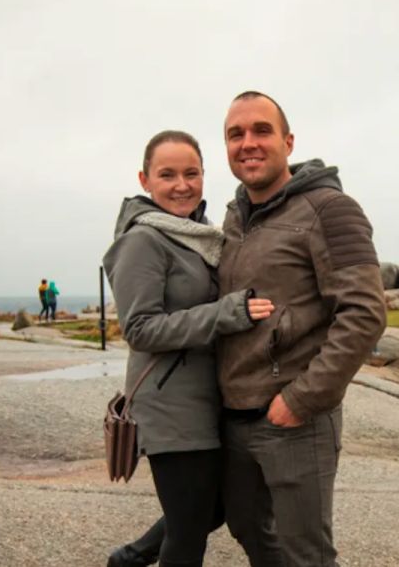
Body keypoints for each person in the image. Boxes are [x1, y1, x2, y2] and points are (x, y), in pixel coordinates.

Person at [216, 91, 386, 566]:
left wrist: (302, 399)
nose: (248, 143)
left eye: (261, 131)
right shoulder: (233, 218)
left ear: (288, 142)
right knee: (250, 532)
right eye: (236, 134)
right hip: (233, 417)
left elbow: (365, 312)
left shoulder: (330, 209)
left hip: (294, 420)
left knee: (305, 555)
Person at [103, 130, 274, 567]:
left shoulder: (197, 236)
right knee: (188, 533)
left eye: (191, 173)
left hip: (208, 399)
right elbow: (139, 328)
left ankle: (129, 558)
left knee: (211, 509)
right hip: (170, 404)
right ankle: (132, 557)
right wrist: (227, 313)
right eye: (167, 174)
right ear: (145, 179)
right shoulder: (143, 240)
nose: (182, 185)